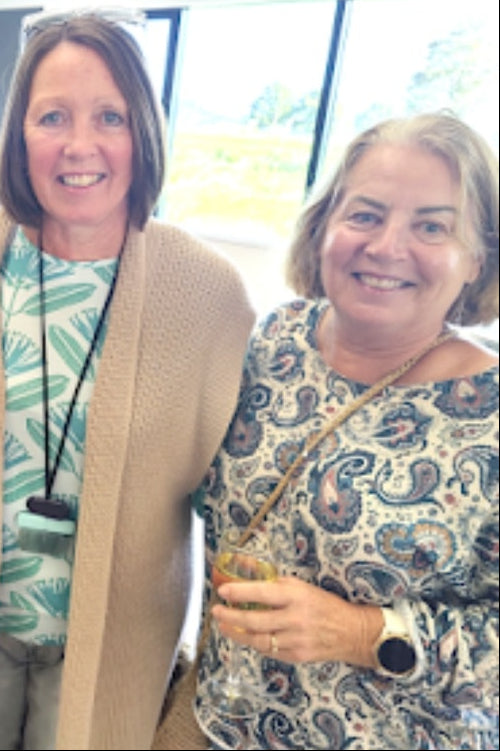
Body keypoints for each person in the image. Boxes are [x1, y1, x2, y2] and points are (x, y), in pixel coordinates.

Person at [0, 9, 256, 750]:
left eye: (110, 115)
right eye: (52, 117)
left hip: (112, 649)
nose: (80, 145)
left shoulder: (208, 293)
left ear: (145, 130)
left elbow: (237, 508)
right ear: (20, 133)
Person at [193, 112, 499, 749]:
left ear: (476, 260)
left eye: (432, 226)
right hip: (217, 725)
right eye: (365, 214)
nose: (387, 247)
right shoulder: (276, 340)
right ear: (323, 226)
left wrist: (364, 633)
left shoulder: (489, 412)